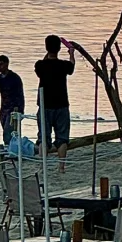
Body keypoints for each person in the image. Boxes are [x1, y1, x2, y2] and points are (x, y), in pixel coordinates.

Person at [35, 34, 76, 173]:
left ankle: (42, 167)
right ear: (59, 48)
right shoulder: (63, 65)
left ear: (46, 48)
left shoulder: (40, 65)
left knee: (43, 138)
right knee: (62, 137)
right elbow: (72, 66)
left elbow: (43, 64)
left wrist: (49, 52)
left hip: (45, 104)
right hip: (62, 104)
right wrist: (71, 53)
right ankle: (61, 167)